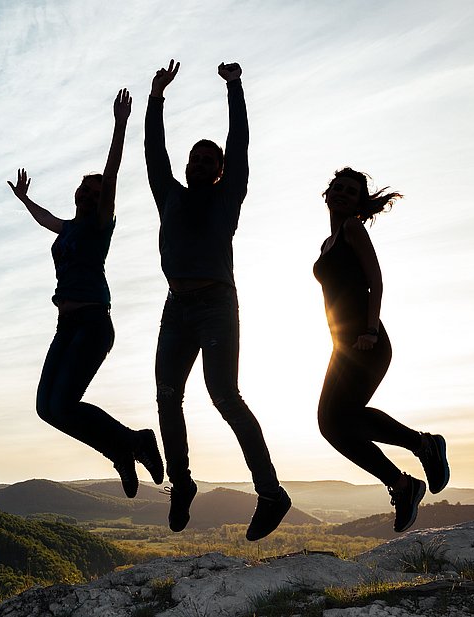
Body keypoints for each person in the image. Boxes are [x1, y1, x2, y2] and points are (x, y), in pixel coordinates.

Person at [145, 59, 289, 539]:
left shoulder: (229, 195)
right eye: (196, 158)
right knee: (167, 395)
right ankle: (182, 484)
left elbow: (241, 142)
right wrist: (156, 97)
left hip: (216, 305)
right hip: (176, 306)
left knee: (225, 395)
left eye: (210, 160)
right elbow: (153, 152)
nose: (201, 163)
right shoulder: (169, 194)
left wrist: (235, 87)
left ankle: (270, 493)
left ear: (221, 170)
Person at [7, 89, 165, 499]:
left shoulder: (98, 226)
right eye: (85, 191)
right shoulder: (70, 228)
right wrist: (25, 200)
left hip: (93, 322)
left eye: (96, 194)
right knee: (47, 408)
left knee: (63, 403)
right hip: (66, 325)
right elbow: (47, 220)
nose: (90, 195)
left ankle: (134, 442)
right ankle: (122, 449)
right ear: (75, 194)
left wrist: (120, 124)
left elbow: (110, 176)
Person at [312, 167, 449, 533]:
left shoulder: (352, 229)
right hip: (344, 345)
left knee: (335, 420)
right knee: (335, 423)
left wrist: (370, 330)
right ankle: (411, 470)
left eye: (350, 191)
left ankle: (416, 460)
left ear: (360, 202)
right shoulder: (328, 243)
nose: (341, 193)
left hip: (366, 340)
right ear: (327, 194)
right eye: (337, 188)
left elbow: (376, 280)